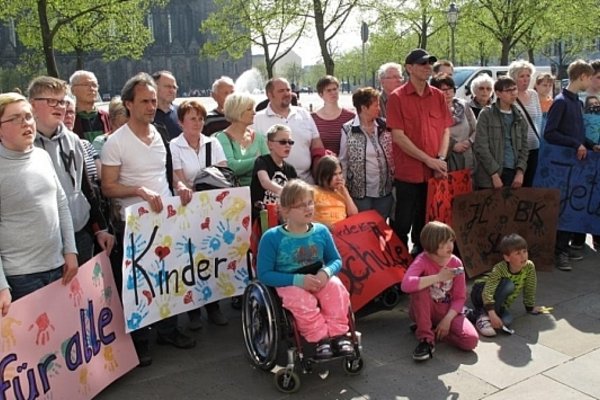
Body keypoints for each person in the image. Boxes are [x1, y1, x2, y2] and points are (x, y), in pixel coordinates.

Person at [101, 72, 196, 366]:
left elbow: (165, 173)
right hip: (133, 222)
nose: (151, 106)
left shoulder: (161, 134)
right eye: (144, 101)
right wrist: (138, 191)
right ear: (128, 104)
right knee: (137, 281)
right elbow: (107, 186)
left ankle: (168, 329)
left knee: (166, 276)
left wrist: (178, 186)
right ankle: (140, 340)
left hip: (165, 217)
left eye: (153, 100)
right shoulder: (115, 142)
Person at [257, 179, 354, 359]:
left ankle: (338, 335)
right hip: (288, 280)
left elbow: (335, 260)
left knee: (336, 289)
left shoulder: (321, 231)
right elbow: (263, 274)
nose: (308, 208)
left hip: (317, 275)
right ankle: (320, 339)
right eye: (301, 206)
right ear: (285, 211)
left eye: (310, 203)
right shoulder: (271, 238)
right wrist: (298, 281)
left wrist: (326, 273)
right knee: (302, 300)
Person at [0, 92, 78, 315]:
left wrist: (70, 251)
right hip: (21, 277)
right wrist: (2, 286)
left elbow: (61, 204)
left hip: (58, 267)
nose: (26, 123)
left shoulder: (42, 156)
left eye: (28, 116)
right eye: (15, 119)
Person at [29, 76, 114, 265]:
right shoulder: (25, 143)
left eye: (61, 101)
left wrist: (99, 227)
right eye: (51, 101)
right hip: (46, 239)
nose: (59, 107)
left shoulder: (73, 139)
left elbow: (85, 185)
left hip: (80, 230)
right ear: (33, 105)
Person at [169, 99, 230, 329]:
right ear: (181, 121)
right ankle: (193, 309)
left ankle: (213, 305)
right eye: (192, 118)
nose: (198, 123)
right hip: (186, 208)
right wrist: (190, 185)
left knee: (210, 256)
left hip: (210, 207)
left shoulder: (212, 143)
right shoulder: (174, 146)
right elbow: (177, 177)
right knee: (189, 258)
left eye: (201, 118)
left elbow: (223, 171)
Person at [386, 48, 451, 255]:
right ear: (409, 68)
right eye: (422, 64)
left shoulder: (438, 96)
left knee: (427, 223)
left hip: (433, 175)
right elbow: (398, 136)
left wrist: (440, 158)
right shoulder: (397, 98)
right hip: (408, 174)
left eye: (429, 63)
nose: (427, 67)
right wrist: (428, 160)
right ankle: (399, 267)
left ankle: (422, 261)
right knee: (402, 223)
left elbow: (445, 129)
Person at [400, 221, 478, 361]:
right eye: (444, 242)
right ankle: (426, 339)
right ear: (432, 243)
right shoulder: (422, 260)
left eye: (451, 240)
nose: (450, 246)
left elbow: (460, 297)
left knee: (470, 341)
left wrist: (447, 320)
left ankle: (433, 329)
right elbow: (405, 285)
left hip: (447, 310)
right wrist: (437, 277)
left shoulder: (456, 263)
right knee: (419, 289)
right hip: (425, 309)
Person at [544, 60, 595, 272]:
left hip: (576, 165)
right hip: (561, 167)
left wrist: (592, 145)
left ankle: (566, 249)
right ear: (582, 76)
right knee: (563, 208)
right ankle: (560, 252)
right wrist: (576, 144)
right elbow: (550, 133)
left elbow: (578, 132)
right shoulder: (561, 101)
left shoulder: (577, 103)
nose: (591, 81)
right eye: (590, 77)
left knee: (573, 205)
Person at [253, 77, 325, 184]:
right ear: (269, 95)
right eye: (281, 91)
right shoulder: (257, 119)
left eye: (288, 90)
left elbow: (317, 145)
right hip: (274, 186)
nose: (287, 93)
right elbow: (254, 153)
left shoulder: (303, 114)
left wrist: (320, 174)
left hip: (307, 183)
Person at [471, 234, 543, 337]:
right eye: (518, 253)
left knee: (506, 322)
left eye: (525, 251)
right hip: (481, 292)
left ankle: (481, 315)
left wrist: (530, 307)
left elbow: (530, 286)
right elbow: (488, 292)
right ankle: (484, 313)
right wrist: (492, 313)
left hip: (498, 302)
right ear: (507, 257)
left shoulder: (529, 266)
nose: (523, 256)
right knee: (509, 284)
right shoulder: (500, 268)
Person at [340, 87, 394, 219]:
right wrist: (343, 188)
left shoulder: (385, 126)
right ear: (364, 108)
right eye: (375, 105)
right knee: (363, 229)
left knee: (381, 229)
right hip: (360, 193)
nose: (379, 108)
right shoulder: (348, 130)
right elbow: (343, 160)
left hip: (384, 191)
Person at [472, 76, 529, 190]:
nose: (513, 93)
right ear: (498, 93)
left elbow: (524, 147)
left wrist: (520, 171)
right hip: (491, 174)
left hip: (513, 173)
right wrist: (494, 174)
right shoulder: (487, 114)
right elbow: (481, 146)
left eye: (514, 89)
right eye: (508, 90)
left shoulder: (519, 116)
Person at [215, 93, 269, 186]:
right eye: (249, 109)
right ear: (237, 111)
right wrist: (257, 160)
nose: (254, 112)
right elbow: (231, 167)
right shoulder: (222, 138)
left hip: (260, 192)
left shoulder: (258, 137)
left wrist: (245, 165)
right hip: (236, 195)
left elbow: (269, 164)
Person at [430, 74, 477, 172]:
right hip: (445, 160)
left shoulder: (463, 105)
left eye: (450, 89)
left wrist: (469, 142)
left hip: (467, 156)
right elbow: (433, 135)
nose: (447, 93)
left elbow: (476, 128)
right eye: (443, 90)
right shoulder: (432, 110)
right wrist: (453, 146)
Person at [508, 60, 543, 187]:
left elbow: (539, 118)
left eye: (528, 75)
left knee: (530, 183)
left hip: (534, 147)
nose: (526, 79)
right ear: (514, 78)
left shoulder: (533, 94)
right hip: (516, 149)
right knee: (516, 184)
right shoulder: (509, 96)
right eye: (522, 76)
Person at [250, 124, 297, 214]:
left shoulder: (291, 169)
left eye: (290, 142)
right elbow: (265, 182)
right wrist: (287, 192)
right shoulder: (262, 161)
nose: (287, 145)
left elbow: (296, 191)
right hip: (262, 216)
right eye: (283, 142)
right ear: (270, 144)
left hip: (282, 216)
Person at [311, 75, 355, 155]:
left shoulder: (350, 117)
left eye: (335, 89)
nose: (333, 93)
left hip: (344, 164)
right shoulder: (312, 119)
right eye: (328, 90)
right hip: (322, 164)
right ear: (321, 94)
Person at [313, 155, 358, 227]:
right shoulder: (312, 192)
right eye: (334, 174)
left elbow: (354, 215)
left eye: (340, 173)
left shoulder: (341, 192)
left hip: (343, 232)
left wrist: (345, 192)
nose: (339, 178)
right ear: (323, 175)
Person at [69, 70, 111, 142]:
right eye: (86, 84)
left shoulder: (106, 117)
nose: (91, 89)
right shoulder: (68, 118)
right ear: (73, 90)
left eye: (94, 85)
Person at [152, 70, 181, 139]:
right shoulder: (145, 113)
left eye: (174, 87)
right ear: (154, 87)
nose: (172, 91)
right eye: (168, 86)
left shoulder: (181, 112)